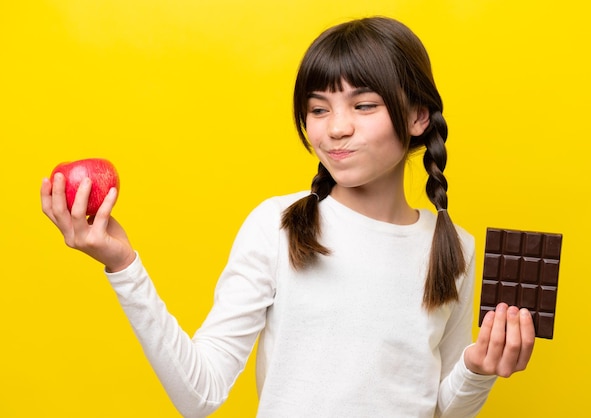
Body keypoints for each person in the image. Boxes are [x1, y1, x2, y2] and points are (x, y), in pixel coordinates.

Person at [41, 16, 535, 418]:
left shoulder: (456, 249)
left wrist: (477, 369)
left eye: (363, 105)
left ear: (418, 117)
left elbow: (437, 411)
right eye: (318, 110)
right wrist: (123, 265)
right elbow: (200, 393)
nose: (336, 129)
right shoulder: (277, 226)